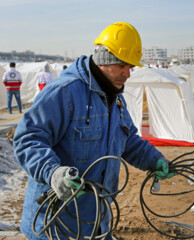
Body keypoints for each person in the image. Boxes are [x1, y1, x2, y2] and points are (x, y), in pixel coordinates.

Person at [13, 21, 174, 240]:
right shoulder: (64, 93)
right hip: (56, 225)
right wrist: (53, 172)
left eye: (131, 67)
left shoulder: (115, 98)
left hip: (95, 221)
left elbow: (128, 141)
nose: (128, 73)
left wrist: (153, 159)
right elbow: (27, 140)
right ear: (104, 59)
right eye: (122, 65)